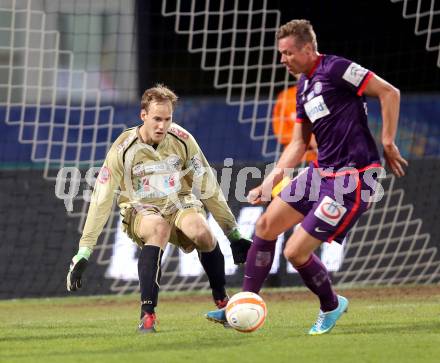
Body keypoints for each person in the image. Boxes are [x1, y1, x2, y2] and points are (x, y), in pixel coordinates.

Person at [206, 19, 408, 335]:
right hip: (320, 173)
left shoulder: (337, 69)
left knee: (295, 252)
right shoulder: (303, 87)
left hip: (353, 180)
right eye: (281, 54)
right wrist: (268, 183)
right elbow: (299, 144)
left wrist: (387, 141)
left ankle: (331, 305)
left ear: (308, 48)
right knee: (264, 225)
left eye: (288, 53)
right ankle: (244, 303)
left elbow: (389, 92)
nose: (283, 59)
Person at [66, 84, 251, 333]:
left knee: (201, 230)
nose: (162, 126)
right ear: (143, 115)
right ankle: (148, 315)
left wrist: (233, 233)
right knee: (158, 228)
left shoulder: (183, 140)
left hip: (178, 203)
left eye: (167, 119)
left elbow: (208, 187)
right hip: (140, 209)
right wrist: (85, 250)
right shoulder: (123, 148)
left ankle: (223, 302)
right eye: (156, 119)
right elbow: (101, 198)